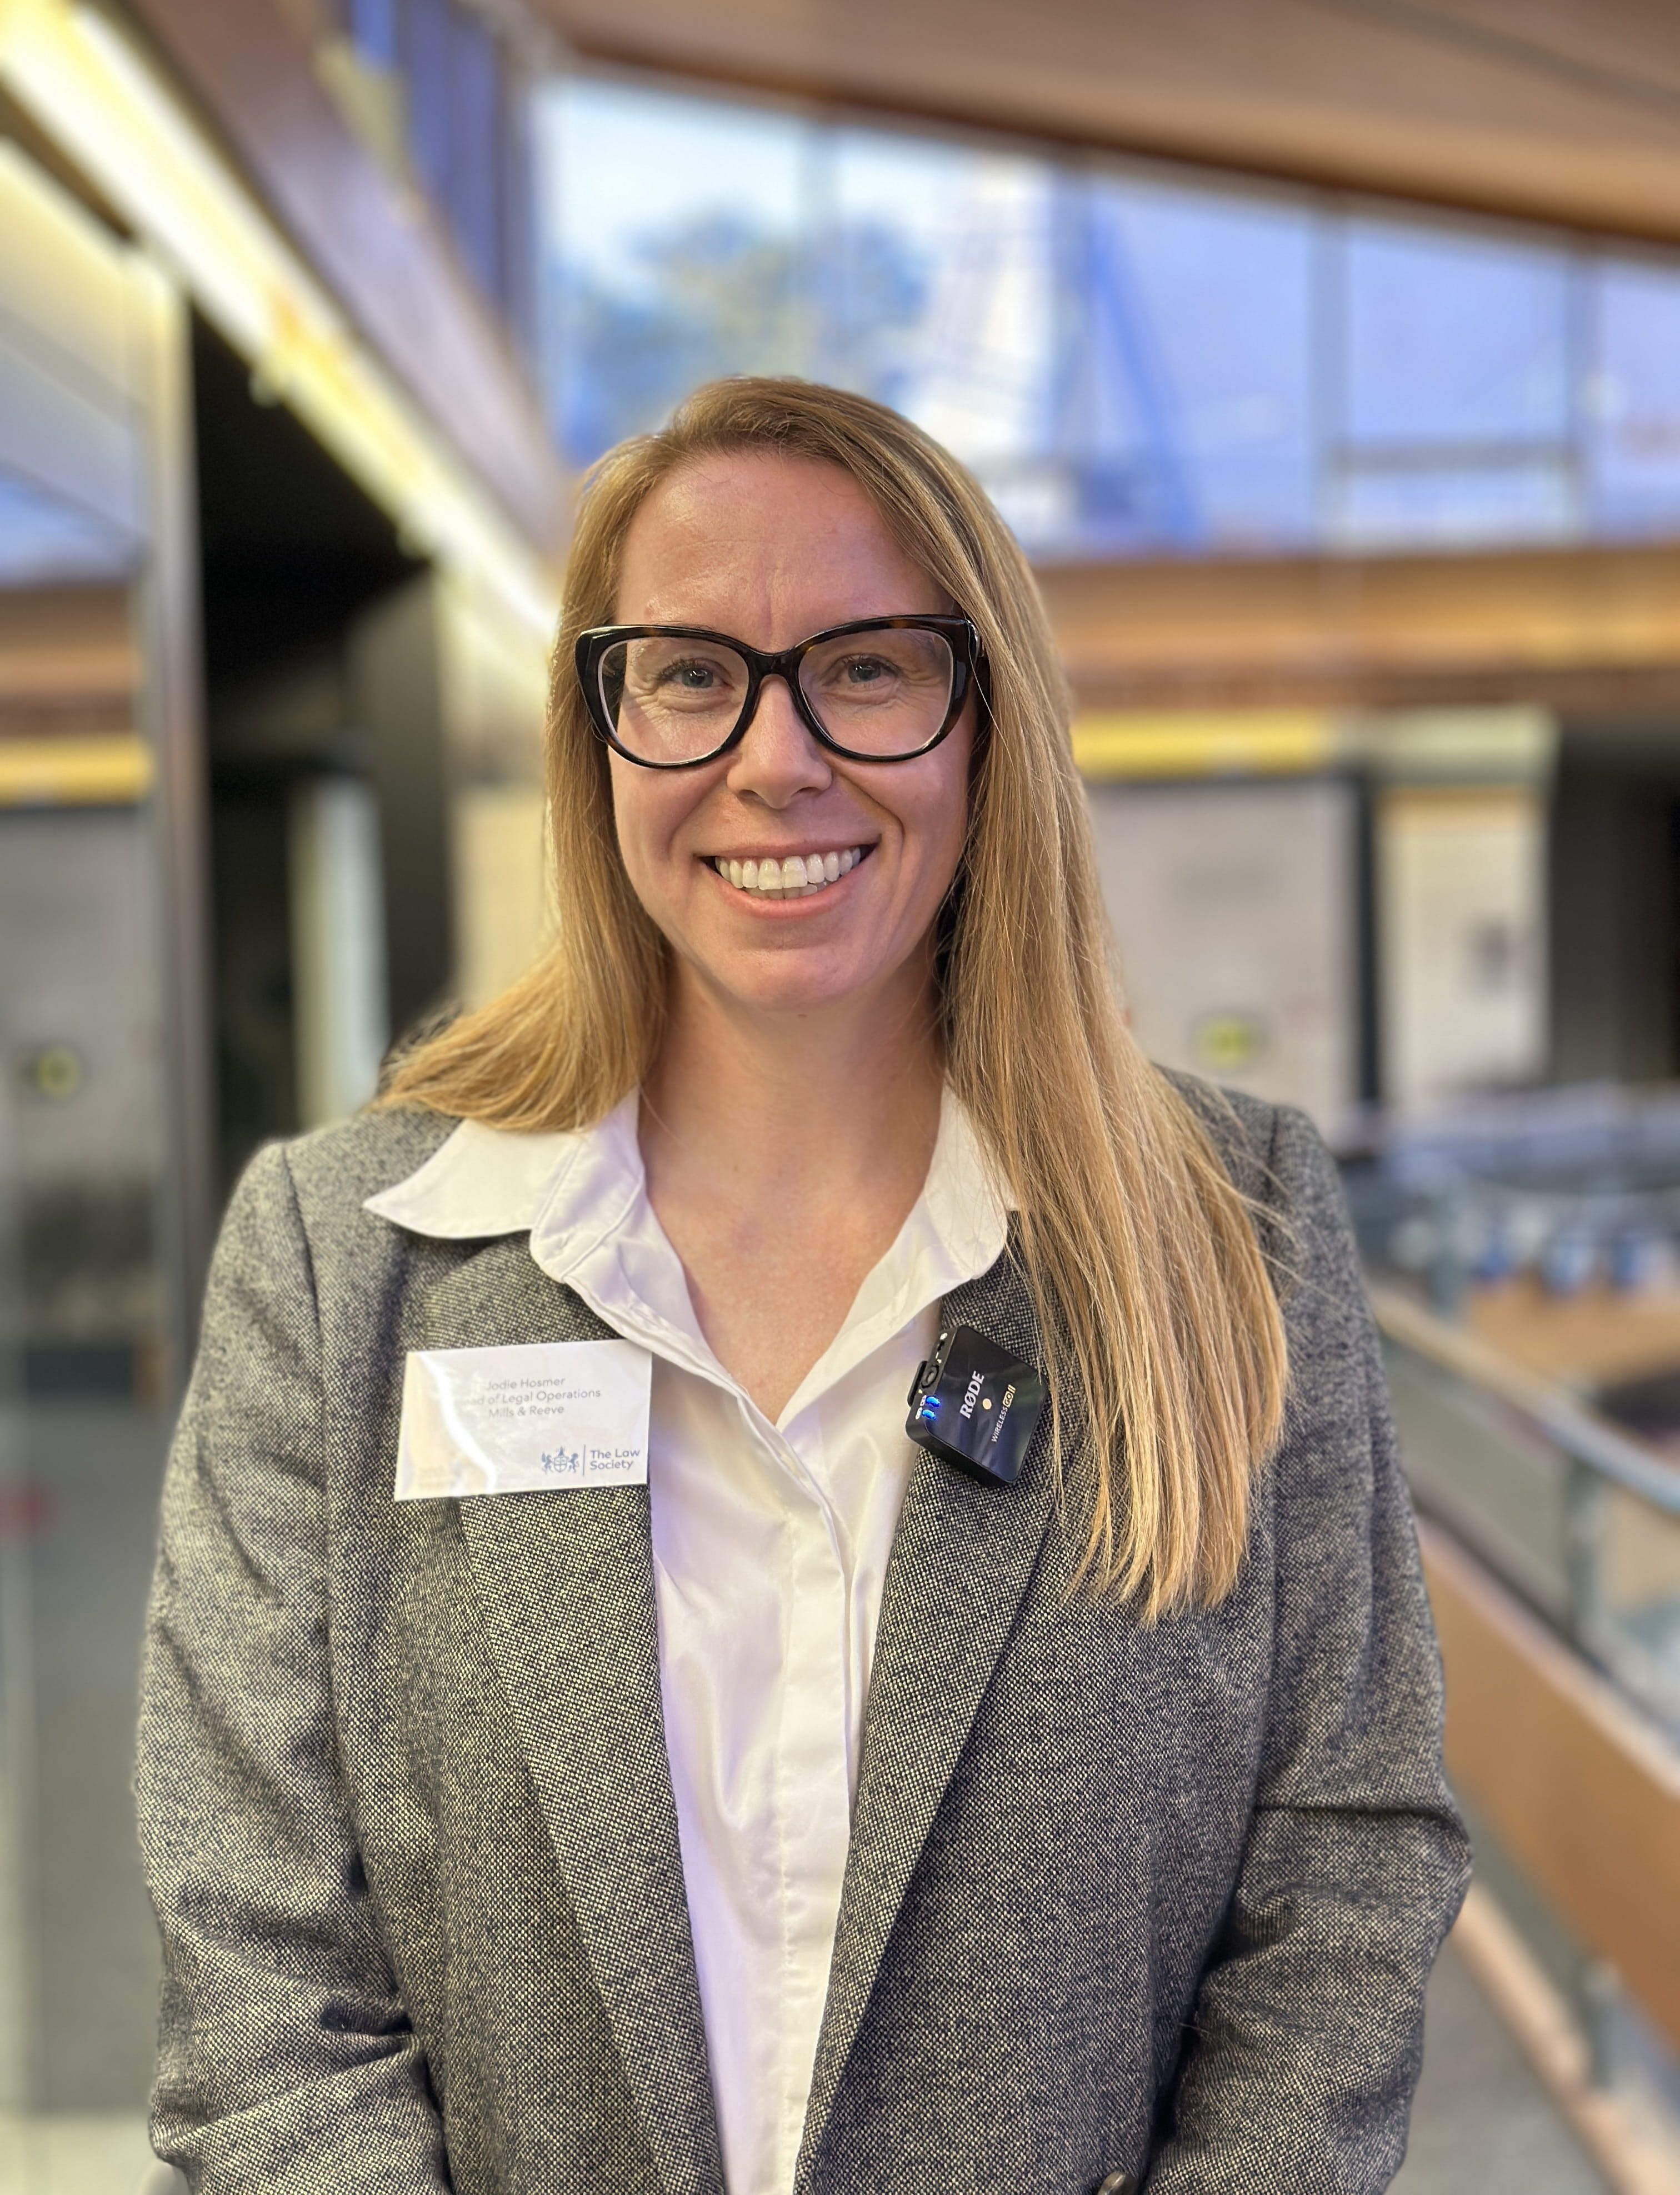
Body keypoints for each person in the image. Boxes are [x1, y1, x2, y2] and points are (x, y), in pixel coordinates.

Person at [137, 377, 1468, 2195]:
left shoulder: (1235, 1233)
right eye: (690, 673)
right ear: (600, 729)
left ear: (984, 721)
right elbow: (259, 1966)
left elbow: (1343, 1870)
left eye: (866, 666)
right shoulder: (342, 1260)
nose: (776, 760)